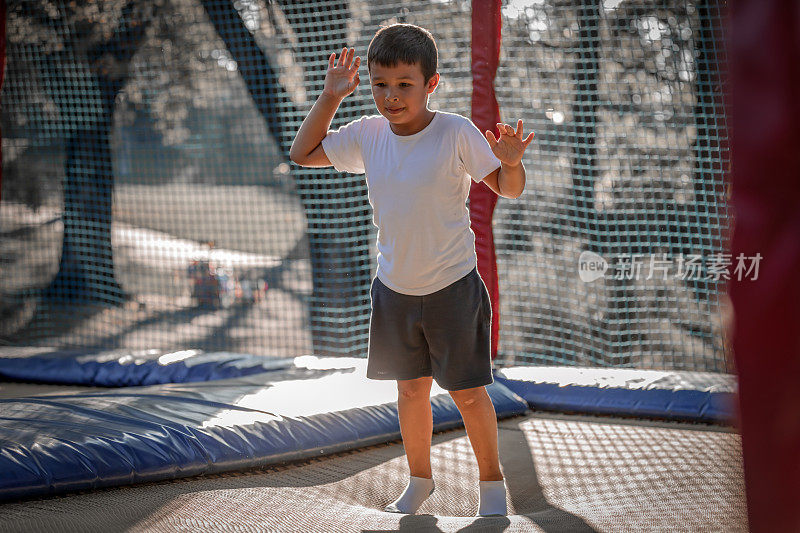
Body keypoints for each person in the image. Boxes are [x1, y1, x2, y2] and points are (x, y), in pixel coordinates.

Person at [289, 23, 533, 517]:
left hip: (452, 287)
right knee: (410, 391)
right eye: (381, 84)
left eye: (404, 84)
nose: (391, 96)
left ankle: (491, 487)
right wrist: (331, 96)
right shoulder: (368, 134)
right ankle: (419, 481)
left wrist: (509, 164)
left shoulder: (456, 132)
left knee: (467, 394)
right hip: (394, 289)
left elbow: (508, 189)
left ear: (431, 84)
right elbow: (303, 153)